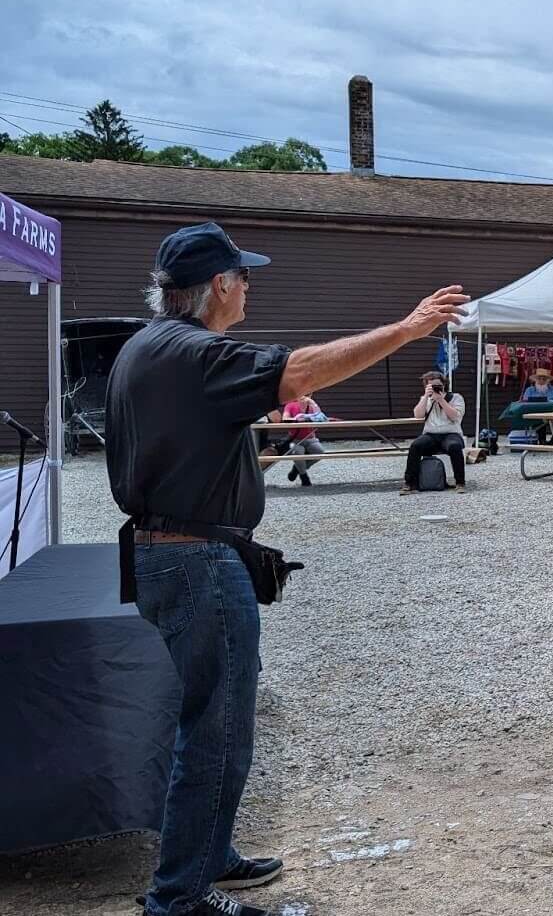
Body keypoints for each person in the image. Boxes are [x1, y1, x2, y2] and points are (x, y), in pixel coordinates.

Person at [106, 221, 465, 916]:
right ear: (218, 286)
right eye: (243, 277)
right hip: (197, 562)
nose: (249, 288)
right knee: (215, 732)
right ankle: (177, 898)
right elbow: (298, 371)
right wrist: (406, 328)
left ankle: (209, 856)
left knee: (219, 721)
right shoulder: (195, 353)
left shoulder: (147, 347)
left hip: (173, 555)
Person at [403, 371, 467, 494]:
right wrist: (426, 397)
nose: (435, 388)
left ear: (444, 385)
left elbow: (455, 417)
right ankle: (409, 483)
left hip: (451, 433)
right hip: (431, 434)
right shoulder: (425, 399)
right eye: (431, 386)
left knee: (455, 446)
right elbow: (418, 415)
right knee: (415, 445)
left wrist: (441, 400)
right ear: (426, 387)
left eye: (438, 385)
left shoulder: (456, 398)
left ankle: (460, 482)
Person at [280, 392, 326, 487]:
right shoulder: (291, 405)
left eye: (308, 395)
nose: (305, 397)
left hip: (310, 438)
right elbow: (285, 418)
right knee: (297, 452)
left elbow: (321, 417)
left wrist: (313, 404)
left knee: (320, 452)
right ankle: (304, 476)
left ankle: (297, 468)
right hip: (295, 439)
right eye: (303, 394)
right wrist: (297, 420)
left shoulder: (312, 406)